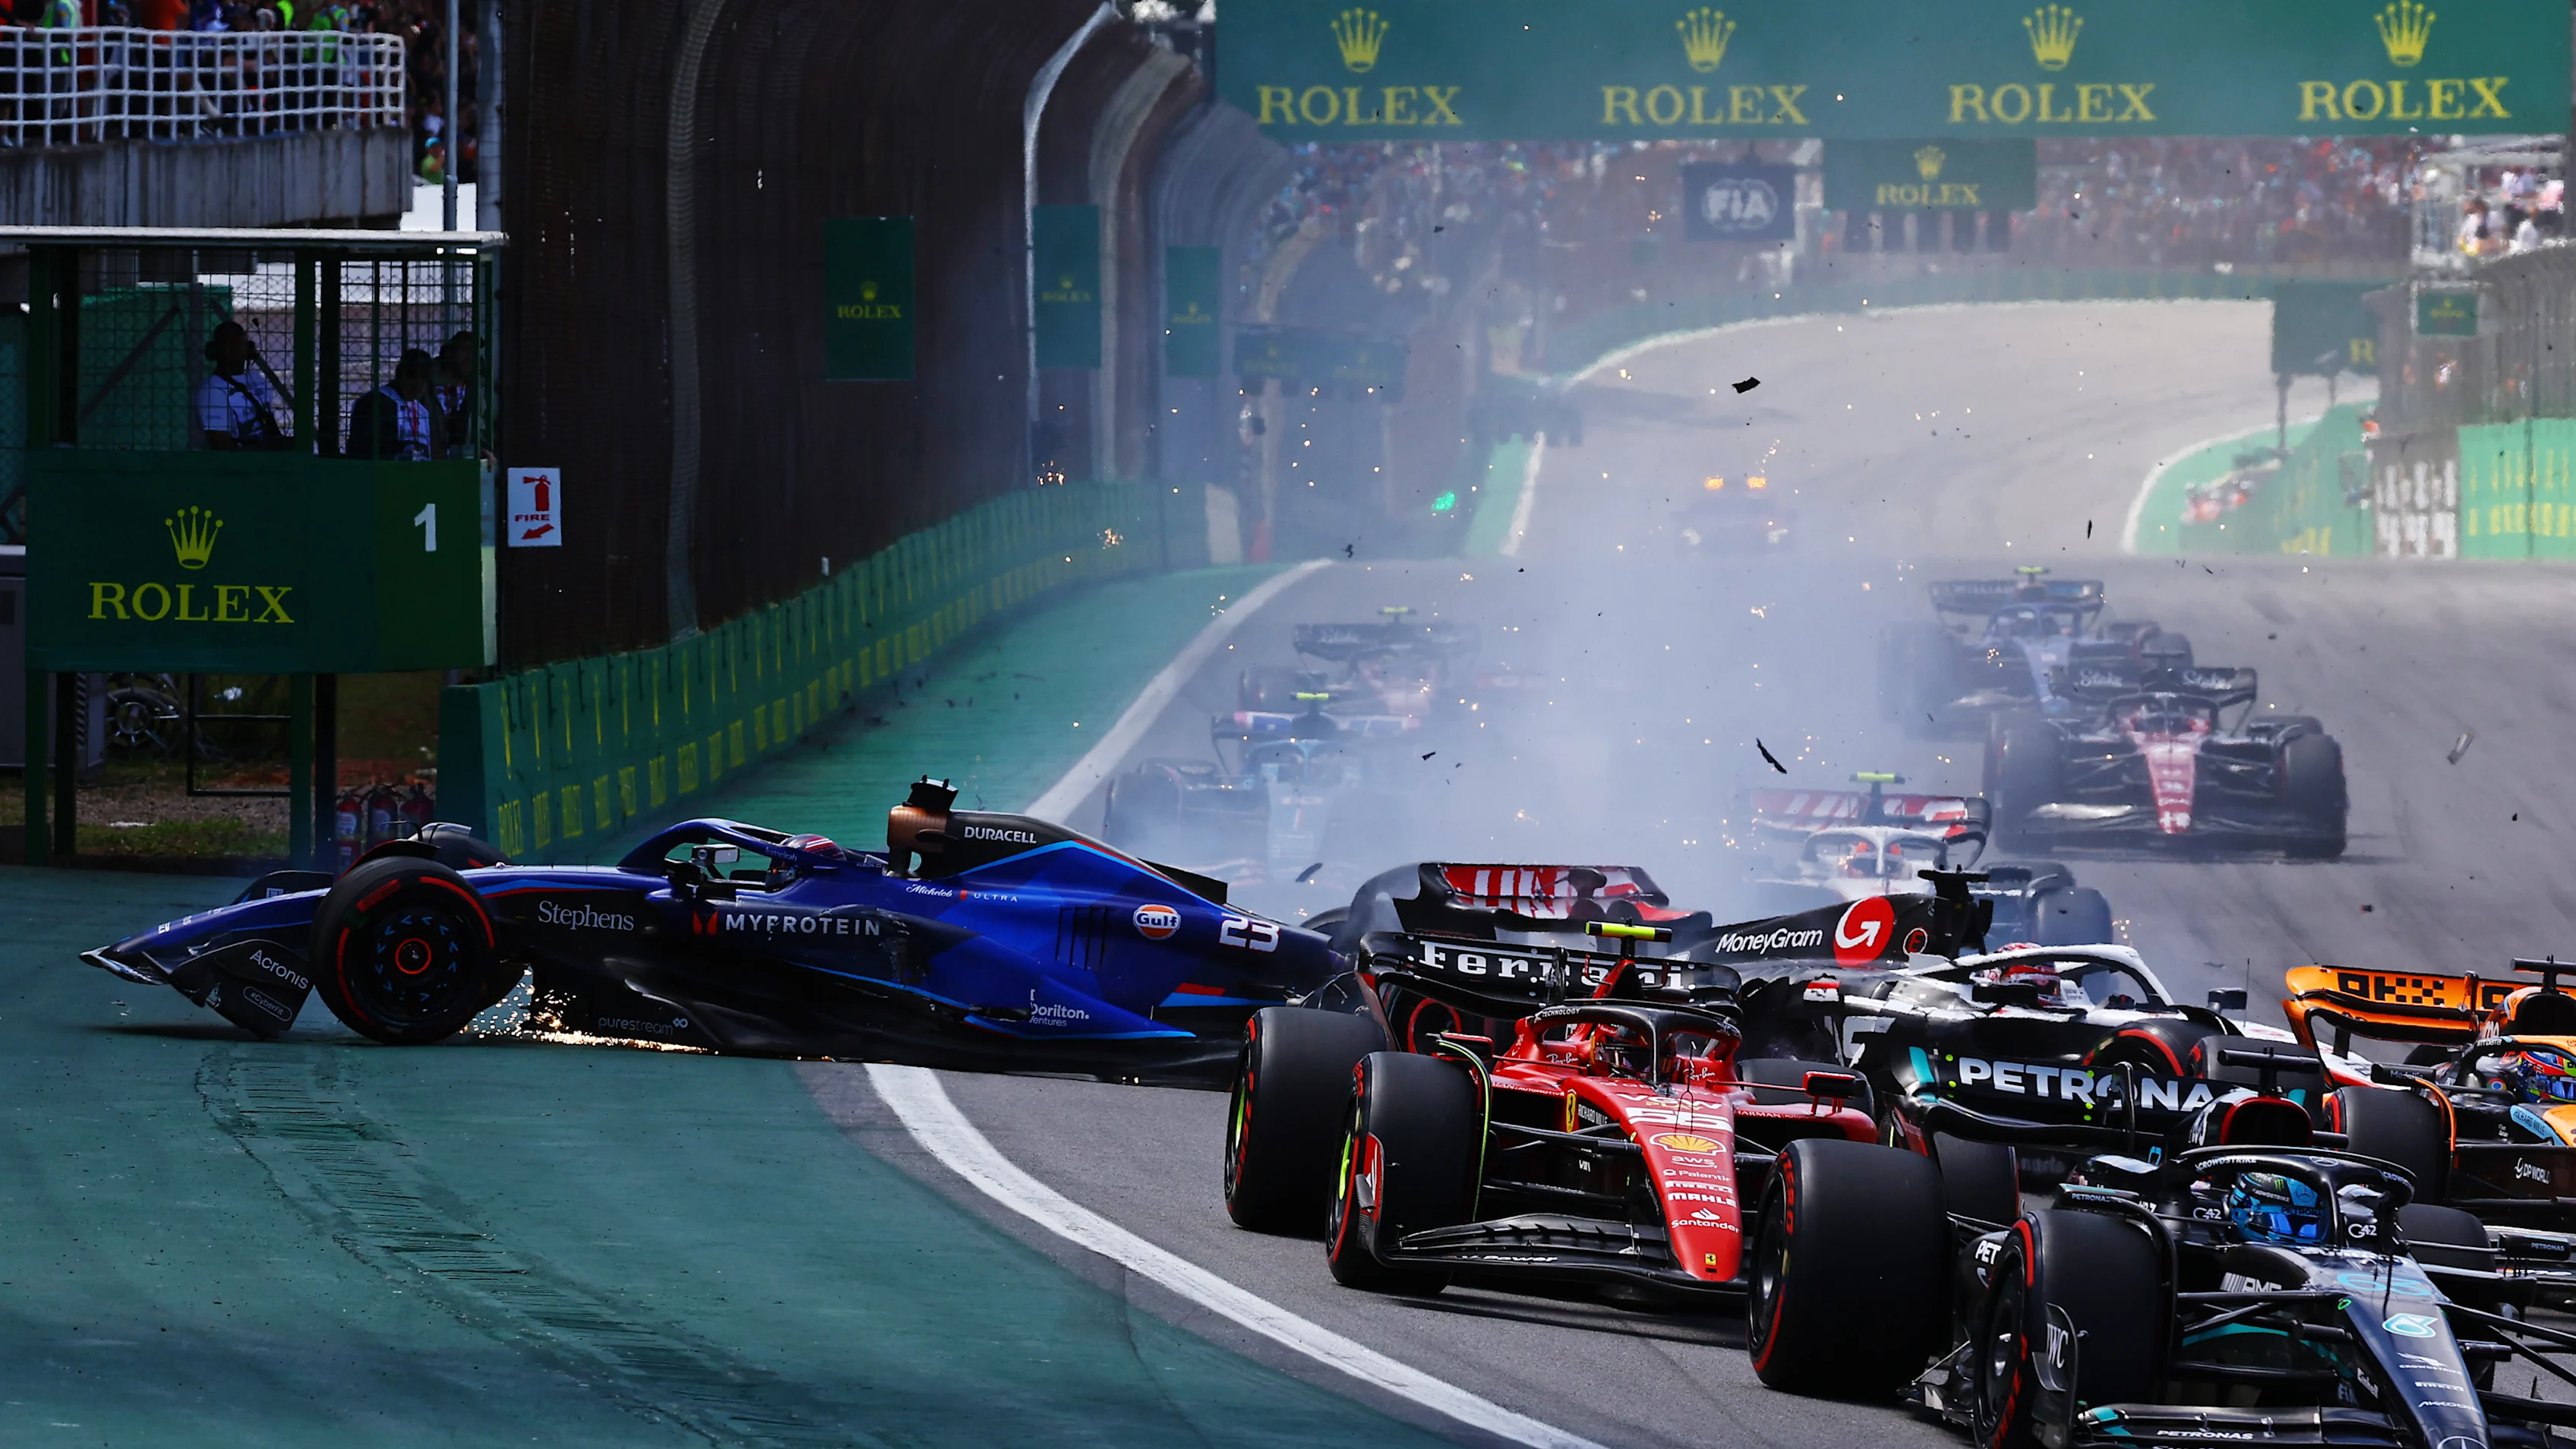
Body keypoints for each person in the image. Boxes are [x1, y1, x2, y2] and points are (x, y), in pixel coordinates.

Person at [196, 321, 289, 450]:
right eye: (229, 344)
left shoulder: (258, 379)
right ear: (216, 350)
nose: (236, 348)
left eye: (239, 342)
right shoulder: (212, 389)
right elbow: (221, 443)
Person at [345, 349, 440, 461]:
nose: (418, 383)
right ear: (400, 374)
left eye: (424, 377)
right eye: (413, 375)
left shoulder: (422, 410)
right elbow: (363, 451)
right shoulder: (376, 403)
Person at [433, 329, 475, 455]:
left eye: (474, 351)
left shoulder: (477, 389)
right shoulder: (429, 386)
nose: (470, 357)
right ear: (450, 353)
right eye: (465, 350)